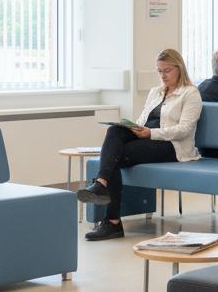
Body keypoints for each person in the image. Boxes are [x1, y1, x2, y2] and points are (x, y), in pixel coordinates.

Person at [78, 48, 201, 241]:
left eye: (167, 70)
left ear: (179, 68)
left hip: (171, 145)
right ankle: (101, 184)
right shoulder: (155, 92)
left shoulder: (190, 93)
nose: (163, 75)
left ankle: (112, 221)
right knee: (114, 131)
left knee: (115, 157)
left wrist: (151, 133)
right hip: (147, 137)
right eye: (159, 71)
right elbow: (143, 119)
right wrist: (134, 128)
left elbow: (185, 129)